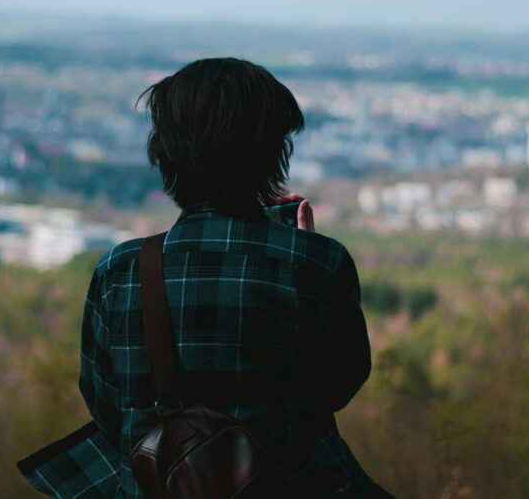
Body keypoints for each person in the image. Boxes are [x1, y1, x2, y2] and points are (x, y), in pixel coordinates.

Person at [76, 57, 390, 497]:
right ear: (272, 155)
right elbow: (339, 385)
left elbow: (105, 407)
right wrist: (306, 255)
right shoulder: (319, 264)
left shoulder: (120, 272)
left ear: (165, 155)